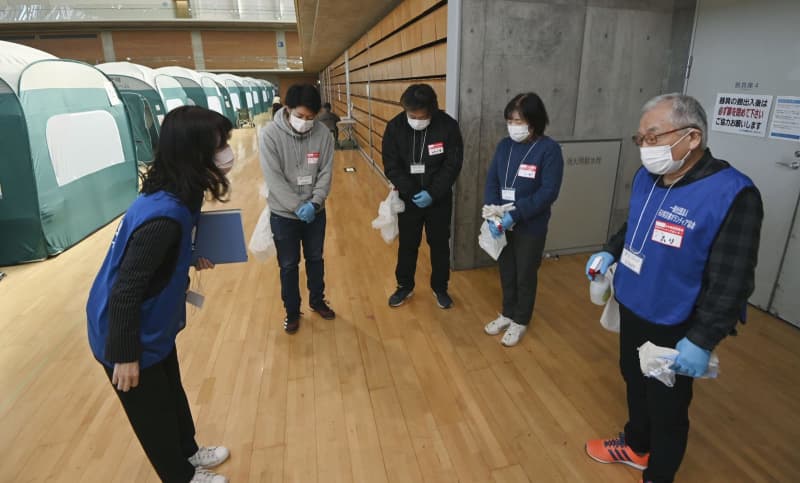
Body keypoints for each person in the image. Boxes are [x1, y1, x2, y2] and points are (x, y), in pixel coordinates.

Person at [584, 94, 763, 483]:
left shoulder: (732, 194)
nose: (645, 148)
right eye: (641, 139)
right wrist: (609, 252)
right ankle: (636, 446)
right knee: (632, 377)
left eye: (653, 137)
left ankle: (658, 475)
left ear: (692, 137)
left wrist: (702, 338)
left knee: (667, 405)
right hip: (633, 303)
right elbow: (633, 228)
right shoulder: (647, 178)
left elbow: (733, 280)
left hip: (676, 320)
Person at [86, 106, 236, 483]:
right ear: (195, 151)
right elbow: (126, 291)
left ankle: (188, 451)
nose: (227, 153)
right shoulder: (164, 216)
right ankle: (181, 476)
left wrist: (187, 256)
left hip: (154, 321)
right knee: (151, 414)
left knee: (170, 392)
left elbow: (161, 260)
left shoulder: (182, 192)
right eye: (219, 145)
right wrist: (125, 356)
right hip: (126, 330)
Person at [483, 93, 564, 346]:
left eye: (519, 120)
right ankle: (507, 313)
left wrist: (515, 215)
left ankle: (520, 320)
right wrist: (492, 211)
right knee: (506, 270)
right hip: (501, 221)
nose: (513, 126)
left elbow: (548, 192)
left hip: (530, 225)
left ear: (534, 120)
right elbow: (492, 180)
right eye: (510, 120)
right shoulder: (504, 145)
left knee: (525, 273)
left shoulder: (549, 149)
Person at [259, 84, 335, 333]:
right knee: (289, 265)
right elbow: (274, 179)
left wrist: (314, 203)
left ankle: (317, 300)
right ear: (288, 109)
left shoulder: (323, 134)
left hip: (315, 211)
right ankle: (292, 311)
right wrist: (296, 206)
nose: (305, 122)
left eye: (311, 118)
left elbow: (325, 172)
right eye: (300, 116)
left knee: (315, 258)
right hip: (284, 215)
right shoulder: (270, 135)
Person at [382, 83, 463, 309]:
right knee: (408, 244)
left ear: (433, 110)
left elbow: (453, 163)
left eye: (422, 115)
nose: (416, 119)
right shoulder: (395, 127)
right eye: (411, 114)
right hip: (409, 199)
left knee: (439, 245)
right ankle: (404, 286)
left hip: (439, 199)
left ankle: (440, 288)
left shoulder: (448, 126)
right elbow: (391, 165)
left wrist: (433, 192)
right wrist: (413, 191)